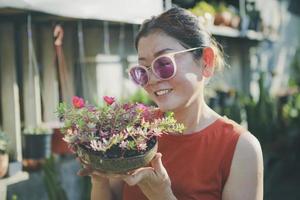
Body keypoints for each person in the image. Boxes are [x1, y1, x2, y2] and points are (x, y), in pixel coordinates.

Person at [78, 7, 264, 200]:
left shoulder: (240, 148)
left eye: (164, 63)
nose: (152, 79)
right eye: (142, 70)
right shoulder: (135, 130)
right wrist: (99, 179)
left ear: (205, 61)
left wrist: (162, 195)